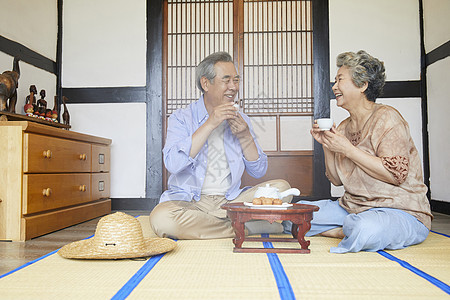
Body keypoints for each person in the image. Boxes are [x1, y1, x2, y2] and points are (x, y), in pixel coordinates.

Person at [287, 50, 432, 253]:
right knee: (291, 215)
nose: (334, 86)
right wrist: (327, 145)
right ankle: (348, 227)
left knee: (366, 228)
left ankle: (341, 230)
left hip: (400, 211)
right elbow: (337, 180)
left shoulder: (387, 118)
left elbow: (396, 174)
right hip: (352, 207)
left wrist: (347, 148)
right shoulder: (345, 127)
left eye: (340, 80)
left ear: (363, 84)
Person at [150, 52, 293, 239]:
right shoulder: (181, 118)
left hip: (231, 201)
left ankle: (220, 224)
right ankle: (250, 227)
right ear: (205, 83)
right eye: (226, 80)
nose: (233, 87)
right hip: (190, 203)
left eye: (236, 80)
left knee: (282, 188)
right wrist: (210, 123)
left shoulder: (242, 120)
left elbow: (259, 171)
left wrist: (244, 135)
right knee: (162, 219)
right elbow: (173, 164)